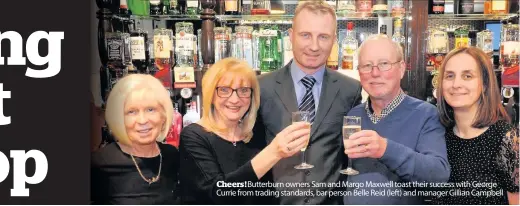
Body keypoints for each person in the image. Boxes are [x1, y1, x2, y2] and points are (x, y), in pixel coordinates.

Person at [253, 1, 363, 204]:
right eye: (306, 35)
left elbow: (350, 156)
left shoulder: (350, 89)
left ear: (334, 40)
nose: (314, 46)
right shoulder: (261, 87)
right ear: (291, 36)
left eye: (323, 37)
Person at [178, 58, 311, 204]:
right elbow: (218, 193)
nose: (235, 99)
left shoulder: (255, 134)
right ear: (211, 94)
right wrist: (273, 152)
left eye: (243, 90)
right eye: (224, 90)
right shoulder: (193, 136)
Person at [342, 34, 450, 205]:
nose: (375, 73)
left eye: (384, 64)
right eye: (367, 66)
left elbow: (438, 176)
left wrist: (385, 149)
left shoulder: (426, 114)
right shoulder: (353, 116)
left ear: (401, 69)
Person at [433, 47, 519, 205]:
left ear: (485, 84)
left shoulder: (508, 140)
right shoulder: (436, 134)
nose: (456, 84)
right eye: (450, 76)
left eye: (467, 76)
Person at [91, 74, 179, 204]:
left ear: (164, 115)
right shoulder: (99, 163)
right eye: (131, 112)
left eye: (151, 109)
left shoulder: (172, 156)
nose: (143, 120)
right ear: (118, 118)